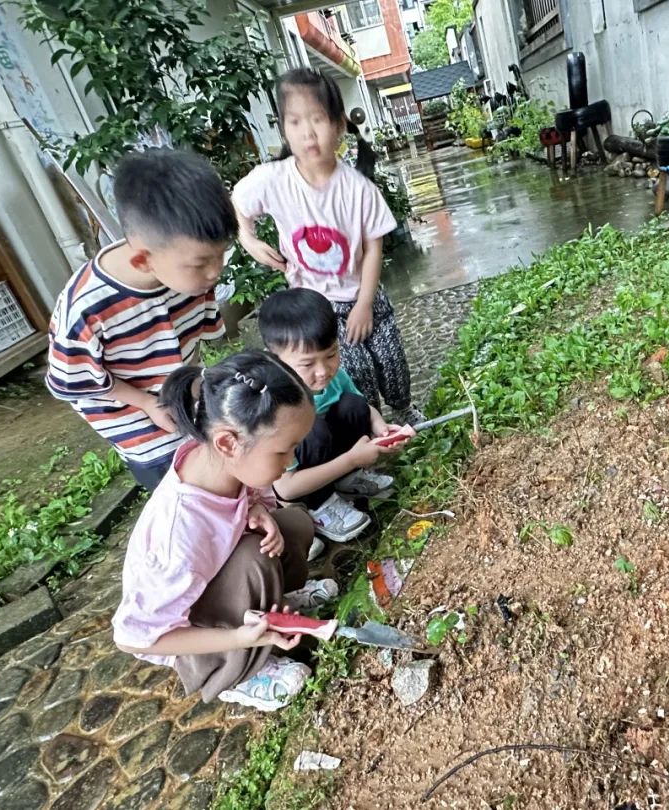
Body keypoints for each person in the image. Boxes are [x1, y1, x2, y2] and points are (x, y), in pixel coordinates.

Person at [112, 350, 339, 712]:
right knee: (254, 560)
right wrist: (235, 637)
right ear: (228, 442)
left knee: (292, 522)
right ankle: (235, 671)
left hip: (219, 578)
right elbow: (133, 638)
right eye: (284, 451)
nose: (291, 461)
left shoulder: (224, 463)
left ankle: (270, 610)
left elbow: (248, 502)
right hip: (186, 633)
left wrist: (258, 509)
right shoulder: (180, 534)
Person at [233, 67, 424, 426]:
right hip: (317, 307)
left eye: (317, 119)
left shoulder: (359, 189)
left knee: (391, 359)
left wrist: (365, 304)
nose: (307, 133)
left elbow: (372, 249)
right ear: (283, 128)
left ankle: (404, 408)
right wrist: (249, 239)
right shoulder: (272, 181)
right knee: (355, 372)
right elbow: (239, 207)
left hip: (365, 294)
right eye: (294, 122)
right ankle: (370, 428)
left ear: (338, 125)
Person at [45, 149, 233, 491]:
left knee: (217, 466)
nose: (216, 271)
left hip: (183, 391)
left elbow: (191, 347)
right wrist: (148, 403)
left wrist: (189, 392)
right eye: (203, 262)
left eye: (220, 255)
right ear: (143, 261)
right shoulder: (86, 309)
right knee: (178, 488)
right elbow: (75, 383)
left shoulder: (190, 275)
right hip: (132, 418)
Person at [258, 288, 414, 549]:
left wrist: (380, 428)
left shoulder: (334, 376)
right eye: (307, 364)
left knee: (353, 405)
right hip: (299, 489)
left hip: (333, 457)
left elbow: (363, 408)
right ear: (275, 360)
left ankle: (347, 481)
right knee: (313, 429)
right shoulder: (274, 408)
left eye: (331, 354)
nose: (323, 371)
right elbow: (285, 489)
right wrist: (351, 459)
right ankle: (320, 506)